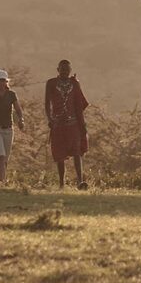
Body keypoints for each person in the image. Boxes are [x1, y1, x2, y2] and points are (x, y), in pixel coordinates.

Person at [45, 58, 89, 189]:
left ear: (70, 71)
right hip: (58, 124)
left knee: (77, 152)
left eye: (67, 70)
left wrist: (82, 124)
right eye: (62, 69)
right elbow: (47, 104)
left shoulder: (74, 84)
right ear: (58, 70)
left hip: (73, 123)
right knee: (59, 155)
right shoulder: (51, 83)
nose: (65, 72)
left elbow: (81, 103)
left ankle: (80, 181)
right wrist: (50, 119)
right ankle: (61, 183)